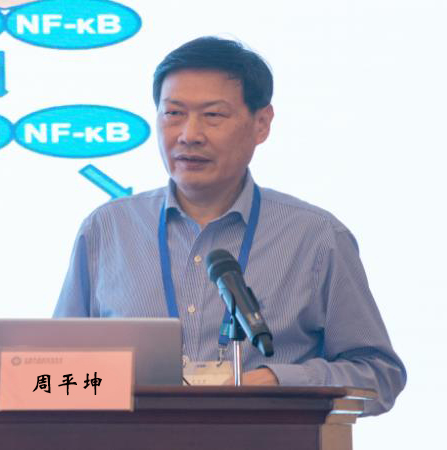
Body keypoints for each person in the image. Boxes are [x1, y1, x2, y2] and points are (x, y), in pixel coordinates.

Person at [54, 36, 406, 415]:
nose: (189, 135)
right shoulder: (107, 229)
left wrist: (281, 382)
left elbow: (379, 376)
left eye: (213, 116)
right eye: (173, 113)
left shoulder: (316, 237)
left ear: (261, 124)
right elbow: (53, 371)